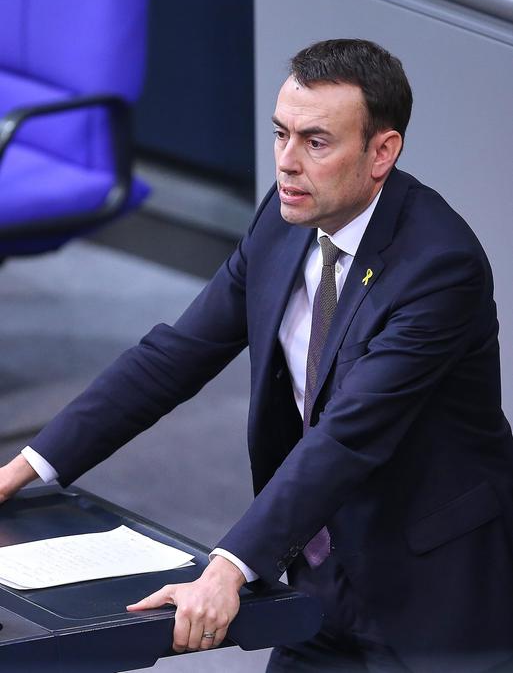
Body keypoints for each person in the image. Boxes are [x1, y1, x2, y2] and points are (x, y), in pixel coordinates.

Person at [1, 38, 513, 673]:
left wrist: (229, 568)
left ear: (382, 151)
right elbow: (176, 355)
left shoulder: (439, 268)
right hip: (314, 569)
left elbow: (348, 437)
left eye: (316, 142)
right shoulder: (284, 217)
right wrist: (20, 469)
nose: (287, 164)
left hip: (430, 599)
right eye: (281, 135)